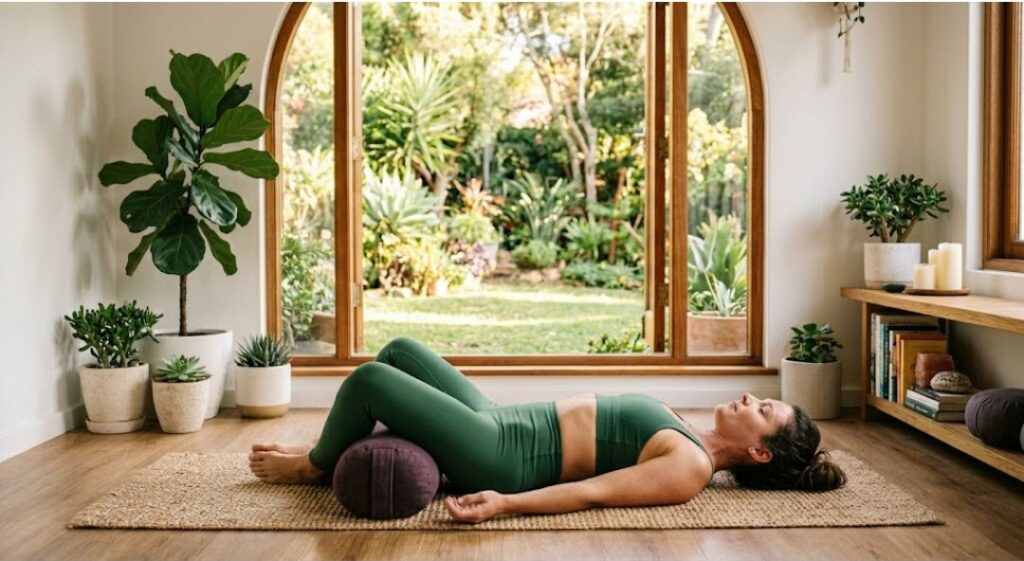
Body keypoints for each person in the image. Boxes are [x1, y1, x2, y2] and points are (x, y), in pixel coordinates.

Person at [249, 337, 847, 523]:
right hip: (499, 419)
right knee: (401, 351)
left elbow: (593, 494)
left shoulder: (690, 469)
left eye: (764, 409)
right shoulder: (687, 431)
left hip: (502, 456)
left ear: (758, 453)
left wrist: (506, 503)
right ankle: (356, 449)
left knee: (367, 380)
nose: (752, 396)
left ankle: (314, 464)